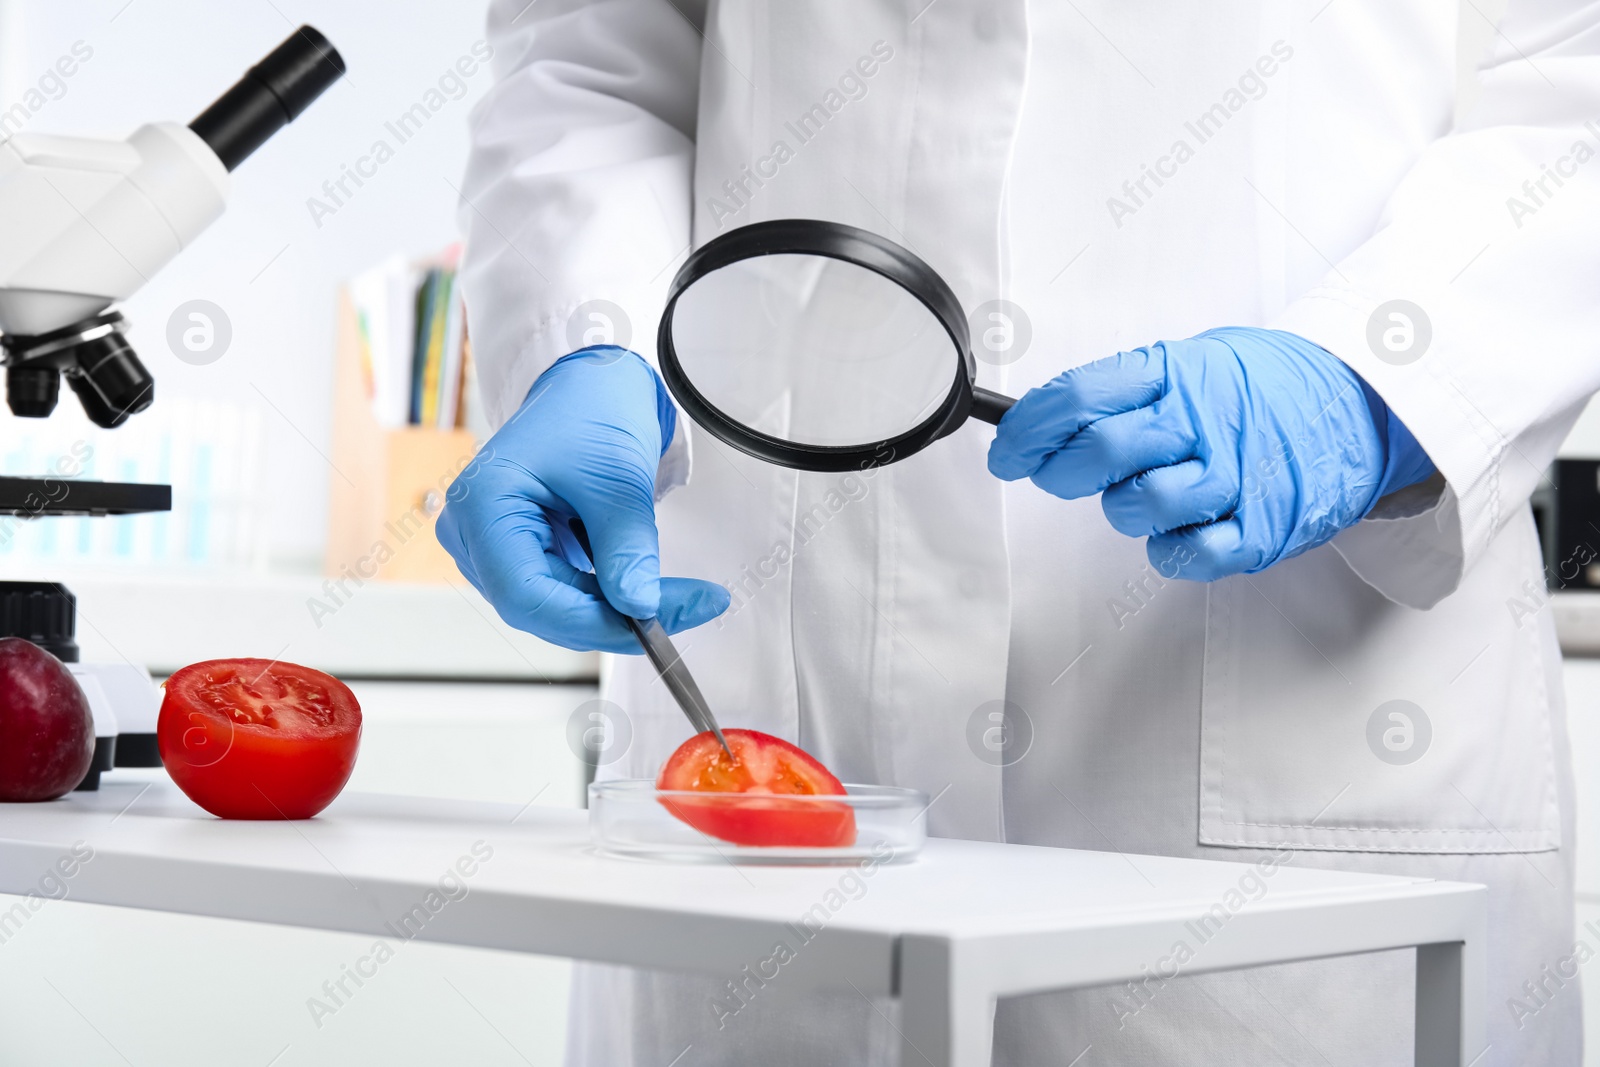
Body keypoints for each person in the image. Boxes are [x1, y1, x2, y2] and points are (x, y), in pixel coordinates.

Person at [439, 1, 1597, 1063]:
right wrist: (583, 334)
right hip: (789, 686)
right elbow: (586, 56)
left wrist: (1377, 380)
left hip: (1299, 727)